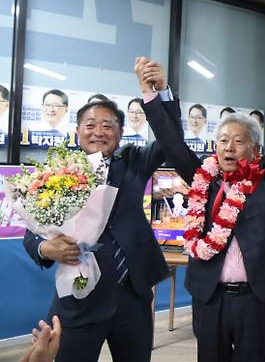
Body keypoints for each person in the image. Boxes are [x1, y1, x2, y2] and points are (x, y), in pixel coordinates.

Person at [138, 48, 265, 362]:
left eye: (238, 141)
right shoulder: (203, 178)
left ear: (254, 149)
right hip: (210, 297)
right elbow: (171, 142)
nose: (228, 147)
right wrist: (150, 95)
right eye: (223, 140)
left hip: (257, 298)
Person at [23, 95, 169, 361]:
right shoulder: (56, 173)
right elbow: (32, 233)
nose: (98, 132)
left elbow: (170, 138)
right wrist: (45, 248)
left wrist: (159, 96)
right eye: (90, 125)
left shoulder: (135, 161)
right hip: (79, 299)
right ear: (77, 131)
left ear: (120, 133)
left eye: (108, 125)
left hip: (132, 298)